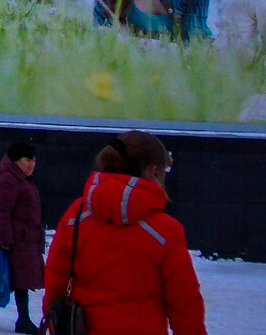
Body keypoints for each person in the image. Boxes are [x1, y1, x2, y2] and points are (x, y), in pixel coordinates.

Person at [43, 130, 206, 335]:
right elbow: (184, 307)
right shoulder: (166, 231)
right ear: (153, 171)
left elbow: (55, 288)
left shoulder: (75, 216)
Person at [0, 141, 44, 334]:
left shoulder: (22, 179)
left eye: (34, 160)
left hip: (24, 238)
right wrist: (5, 241)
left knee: (18, 279)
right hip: (15, 239)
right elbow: (3, 212)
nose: (32, 164)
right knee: (21, 280)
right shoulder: (9, 179)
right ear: (16, 161)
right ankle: (23, 320)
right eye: (27, 160)